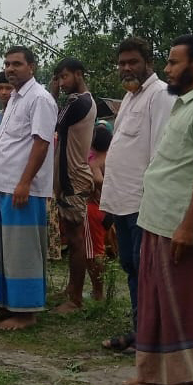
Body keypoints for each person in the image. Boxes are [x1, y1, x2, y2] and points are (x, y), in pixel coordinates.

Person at [125, 34, 193, 385]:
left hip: (181, 226)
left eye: (172, 62)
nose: (166, 69)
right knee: (157, 302)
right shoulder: (184, 106)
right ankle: (155, 373)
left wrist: (188, 225)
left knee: (183, 306)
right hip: (159, 220)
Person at [100, 37, 175, 354]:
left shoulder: (160, 96)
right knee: (132, 266)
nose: (126, 68)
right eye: (122, 63)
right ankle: (140, 330)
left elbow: (161, 151)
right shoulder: (130, 97)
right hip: (122, 200)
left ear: (149, 63)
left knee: (149, 270)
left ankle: (154, 336)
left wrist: (152, 201)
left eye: (132, 62)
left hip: (143, 202)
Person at [0, 46, 57, 331]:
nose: (11, 69)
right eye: (7, 64)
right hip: (1, 185)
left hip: (22, 189)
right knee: (2, 249)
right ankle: (5, 304)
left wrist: (24, 182)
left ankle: (26, 313)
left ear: (32, 67)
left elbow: (41, 143)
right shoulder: (13, 100)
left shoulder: (40, 99)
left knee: (21, 251)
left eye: (17, 64)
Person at [47, 58, 98, 314]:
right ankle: (72, 290)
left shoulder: (79, 102)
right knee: (74, 236)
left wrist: (51, 93)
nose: (61, 82)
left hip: (73, 179)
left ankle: (76, 299)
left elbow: (50, 122)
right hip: (69, 179)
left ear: (78, 74)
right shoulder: (83, 102)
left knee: (77, 240)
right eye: (58, 78)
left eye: (64, 77)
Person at [84, 122, 114, 300]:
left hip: (94, 208)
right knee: (102, 248)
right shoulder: (112, 157)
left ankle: (98, 291)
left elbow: (97, 179)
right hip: (108, 208)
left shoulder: (94, 161)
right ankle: (100, 290)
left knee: (94, 252)